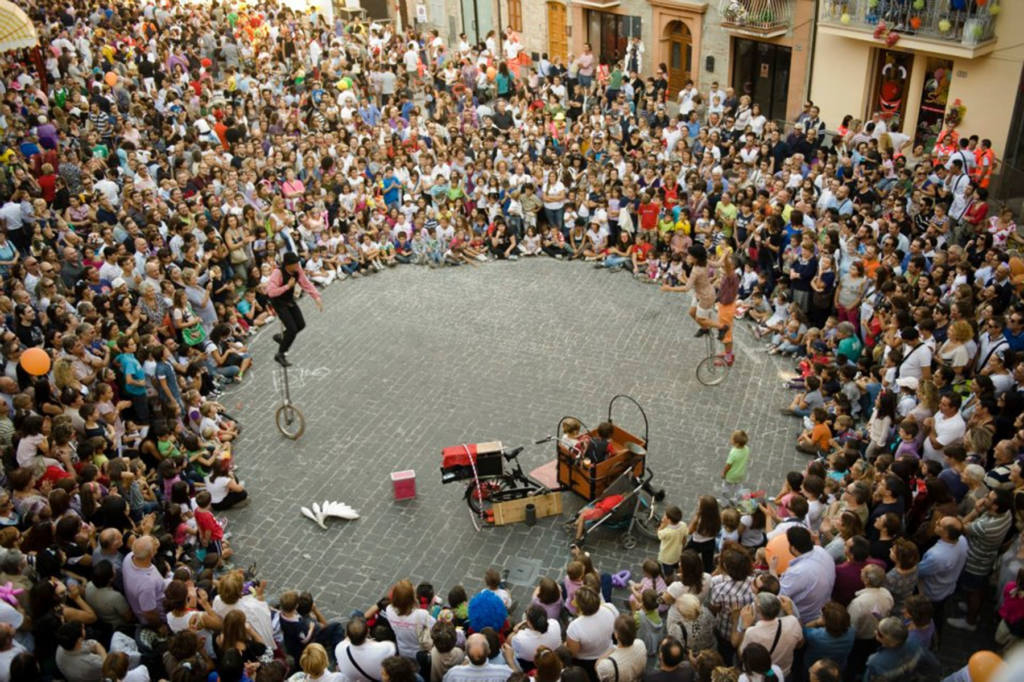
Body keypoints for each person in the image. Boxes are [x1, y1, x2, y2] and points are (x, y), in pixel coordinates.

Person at [266, 251, 323, 366]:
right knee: (292, 329)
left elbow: (305, 283)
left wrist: (316, 296)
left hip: (288, 300)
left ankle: (283, 338)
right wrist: (287, 286)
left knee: (300, 324)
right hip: (279, 302)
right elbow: (271, 292)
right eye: (295, 263)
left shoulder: (297, 270)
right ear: (288, 264)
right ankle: (280, 354)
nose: (298, 265)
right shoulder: (278, 273)